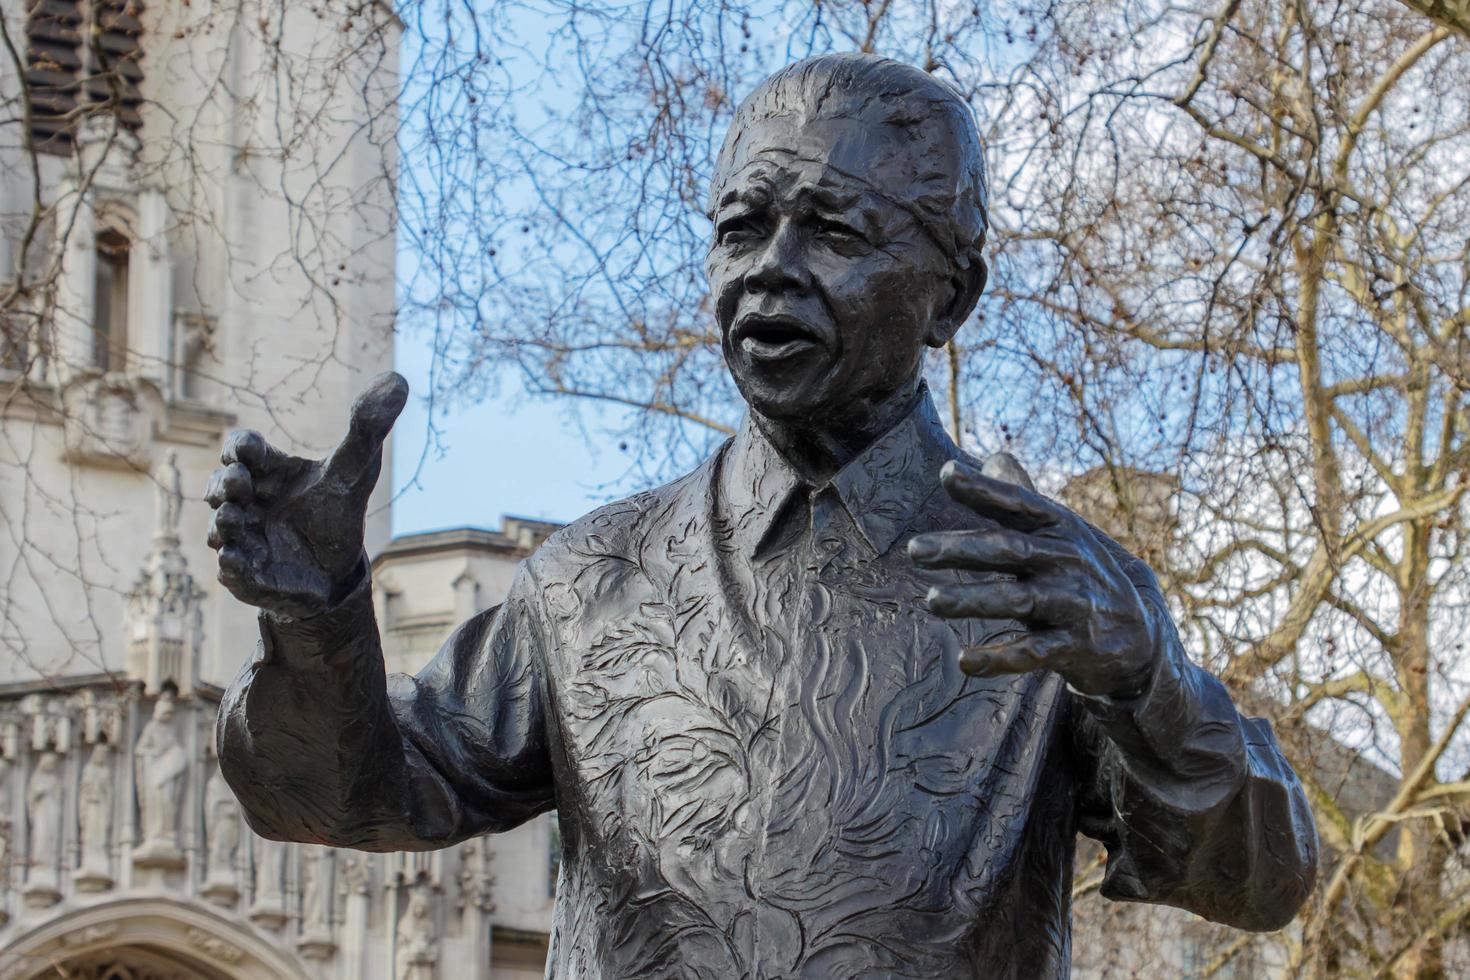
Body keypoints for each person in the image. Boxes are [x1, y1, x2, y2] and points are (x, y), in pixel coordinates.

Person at [208, 53, 1317, 978]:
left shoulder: (1044, 589)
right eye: (742, 227)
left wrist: (1149, 687)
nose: (772, 270)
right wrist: (316, 619)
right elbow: (344, 798)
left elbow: (1260, 878)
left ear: (954, 296)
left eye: (835, 232)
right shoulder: (590, 579)